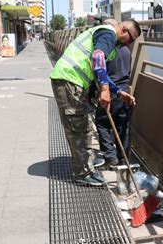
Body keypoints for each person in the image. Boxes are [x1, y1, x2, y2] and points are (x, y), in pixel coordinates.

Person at [50, 19, 141, 186]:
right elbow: (98, 57)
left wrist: (117, 92)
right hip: (69, 79)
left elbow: (102, 72)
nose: (130, 43)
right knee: (77, 127)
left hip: (73, 81)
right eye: (132, 39)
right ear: (124, 31)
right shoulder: (108, 33)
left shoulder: (111, 44)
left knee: (82, 125)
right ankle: (82, 173)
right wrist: (104, 91)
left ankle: (87, 164)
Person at [94, 45, 133, 167]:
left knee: (102, 122)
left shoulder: (105, 50)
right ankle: (123, 158)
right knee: (122, 126)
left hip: (110, 90)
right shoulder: (127, 50)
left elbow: (99, 72)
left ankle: (110, 156)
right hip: (125, 92)